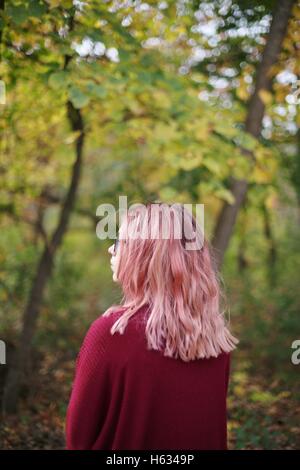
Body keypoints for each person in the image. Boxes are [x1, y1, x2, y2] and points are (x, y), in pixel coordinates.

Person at [66, 202, 238, 450]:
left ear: (142, 254)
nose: (109, 249)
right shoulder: (215, 340)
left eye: (119, 242)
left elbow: (78, 438)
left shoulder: (111, 334)